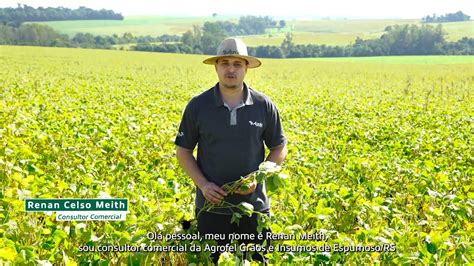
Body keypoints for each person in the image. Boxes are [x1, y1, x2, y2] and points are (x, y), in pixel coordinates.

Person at [175, 38, 287, 264]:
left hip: (254, 209)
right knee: (210, 262)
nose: (231, 69)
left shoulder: (263, 105)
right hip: (211, 208)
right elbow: (183, 150)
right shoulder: (198, 106)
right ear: (216, 67)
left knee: (256, 261)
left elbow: (279, 147)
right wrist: (204, 185)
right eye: (225, 63)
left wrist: (259, 177)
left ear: (246, 67)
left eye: (237, 63)